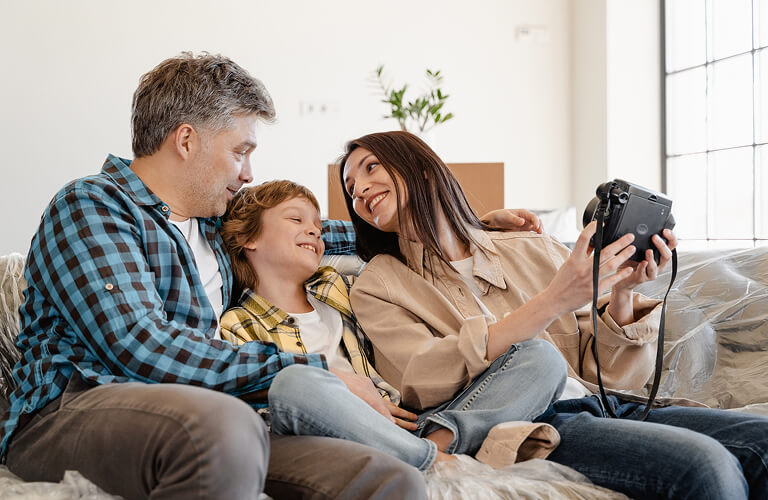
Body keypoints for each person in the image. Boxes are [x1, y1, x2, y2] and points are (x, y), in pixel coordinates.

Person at [0, 53, 428, 500]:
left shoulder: (214, 227)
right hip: (72, 411)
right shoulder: (93, 206)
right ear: (186, 140)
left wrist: (464, 224)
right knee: (225, 425)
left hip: (212, 420)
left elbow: (316, 236)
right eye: (240, 151)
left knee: (388, 478)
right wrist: (309, 370)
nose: (248, 174)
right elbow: (138, 345)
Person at [338, 130, 768, 500]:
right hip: (526, 420)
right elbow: (421, 376)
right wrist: (552, 301)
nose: (359, 190)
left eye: (370, 168)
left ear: (423, 167)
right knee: (704, 466)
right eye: (351, 188)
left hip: (606, 405)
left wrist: (621, 291)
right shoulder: (378, 283)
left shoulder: (529, 246)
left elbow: (614, 379)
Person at [217, 179, 564, 472]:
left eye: (318, 227)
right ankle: (434, 462)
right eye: (296, 219)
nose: (313, 230)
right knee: (293, 383)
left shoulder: (346, 288)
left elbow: (395, 237)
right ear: (248, 238)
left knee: (542, 358)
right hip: (337, 431)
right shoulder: (238, 323)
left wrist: (469, 226)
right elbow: (263, 404)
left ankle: (438, 446)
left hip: (413, 421)